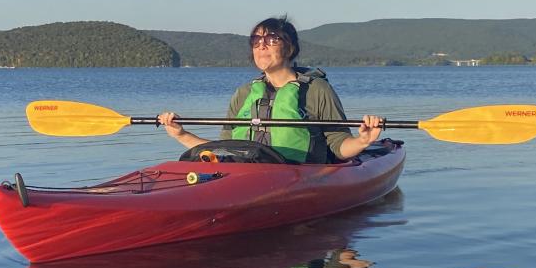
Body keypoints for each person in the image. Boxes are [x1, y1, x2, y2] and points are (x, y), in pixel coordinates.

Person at [158, 15, 383, 163]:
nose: (262, 45)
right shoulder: (244, 94)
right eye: (256, 41)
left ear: (290, 47)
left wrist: (364, 140)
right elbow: (224, 149)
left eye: (272, 39)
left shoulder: (317, 90)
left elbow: (338, 147)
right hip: (246, 177)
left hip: (299, 178)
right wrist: (181, 134)